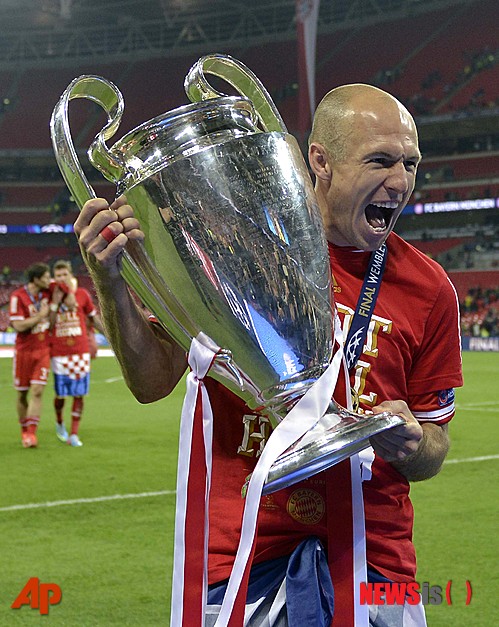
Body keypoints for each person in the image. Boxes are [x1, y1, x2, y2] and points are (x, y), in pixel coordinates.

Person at [73, 83, 463, 626]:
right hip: (242, 564)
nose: (399, 182)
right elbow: (150, 381)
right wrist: (108, 276)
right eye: (379, 160)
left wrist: (416, 441)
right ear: (320, 161)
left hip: (379, 569)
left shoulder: (430, 288)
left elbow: (435, 449)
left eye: (410, 163)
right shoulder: (230, 253)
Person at [48, 259, 105, 447]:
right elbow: (49, 324)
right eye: (58, 275)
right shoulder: (50, 296)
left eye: (65, 274)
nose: (62, 278)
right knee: (61, 395)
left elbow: (93, 318)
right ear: (54, 278)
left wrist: (109, 336)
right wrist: (56, 302)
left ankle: (73, 433)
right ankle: (59, 422)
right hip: (59, 352)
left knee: (79, 393)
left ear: (70, 275)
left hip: (80, 352)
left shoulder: (82, 294)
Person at [9, 262, 52, 448]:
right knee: (22, 395)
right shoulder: (17, 297)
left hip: (42, 351)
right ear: (36, 279)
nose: (48, 280)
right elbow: (18, 326)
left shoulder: (47, 294)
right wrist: (41, 315)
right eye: (45, 276)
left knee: (37, 390)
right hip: (23, 352)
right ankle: (24, 430)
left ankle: (32, 434)